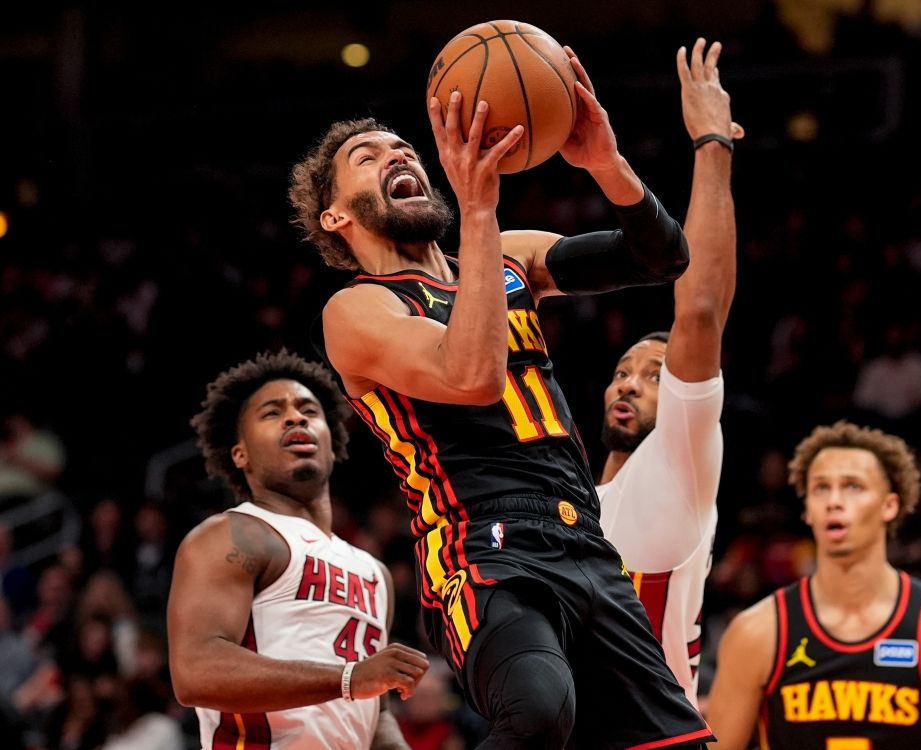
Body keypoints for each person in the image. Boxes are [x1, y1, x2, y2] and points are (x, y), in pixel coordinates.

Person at [288, 35, 740, 749]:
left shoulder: (507, 256)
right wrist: (479, 211)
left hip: (586, 543)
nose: (397, 156)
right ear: (336, 217)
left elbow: (662, 257)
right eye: (367, 159)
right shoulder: (359, 309)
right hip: (483, 546)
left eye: (403, 147)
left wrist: (606, 164)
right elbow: (470, 377)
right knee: (536, 713)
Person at [167, 350, 429, 750]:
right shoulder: (232, 535)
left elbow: (375, 714)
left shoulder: (375, 572)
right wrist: (350, 678)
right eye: (272, 413)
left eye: (309, 410)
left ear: (331, 438)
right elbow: (196, 671)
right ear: (240, 453)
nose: (295, 417)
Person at [706, 420, 921, 749]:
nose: (833, 500)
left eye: (853, 486)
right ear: (807, 512)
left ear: (890, 505)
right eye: (820, 488)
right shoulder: (757, 632)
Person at [596, 38, 738, 712]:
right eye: (623, 371)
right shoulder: (564, 501)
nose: (628, 383)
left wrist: (711, 144)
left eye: (652, 376)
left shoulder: (676, 469)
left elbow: (701, 312)